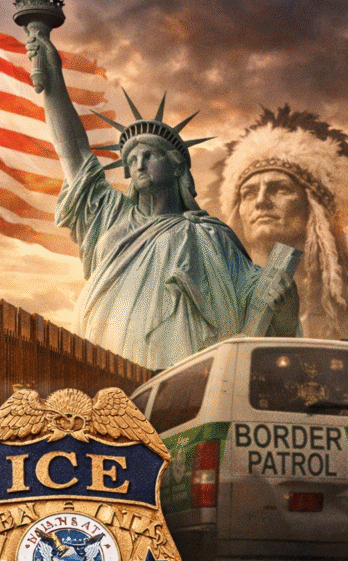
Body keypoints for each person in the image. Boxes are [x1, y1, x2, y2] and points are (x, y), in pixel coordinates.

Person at [24, 27, 300, 371]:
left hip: (181, 379)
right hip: (101, 369)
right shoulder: (110, 216)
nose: (138, 164)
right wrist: (53, 78)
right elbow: (74, 153)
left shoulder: (210, 237)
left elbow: (256, 312)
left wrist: (285, 307)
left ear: (177, 166)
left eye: (149, 155)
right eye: (131, 159)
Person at [218, 105, 348, 340]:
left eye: (280, 189)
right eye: (248, 193)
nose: (261, 201)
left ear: (314, 208)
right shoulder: (215, 308)